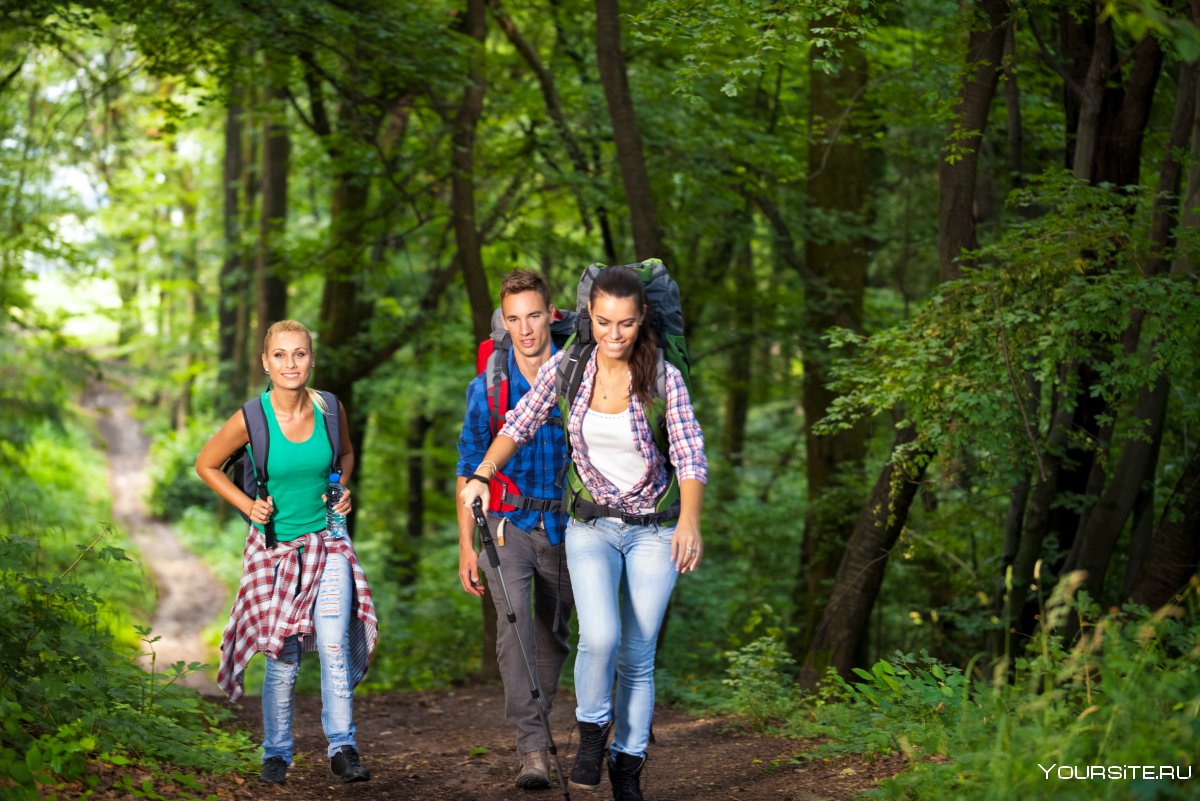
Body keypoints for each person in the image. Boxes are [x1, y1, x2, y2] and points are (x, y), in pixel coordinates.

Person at [460, 266, 707, 801]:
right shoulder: (569, 367)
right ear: (586, 318)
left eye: (624, 324)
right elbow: (517, 424)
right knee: (601, 638)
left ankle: (628, 763)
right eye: (602, 322)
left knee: (638, 655)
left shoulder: (665, 377)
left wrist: (689, 520)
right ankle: (593, 731)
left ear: (642, 321)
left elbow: (689, 453)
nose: (613, 335)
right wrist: (482, 474)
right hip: (590, 525)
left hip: (653, 530)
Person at [196, 319, 378, 786]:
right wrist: (247, 504)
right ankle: (276, 752)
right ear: (265, 363)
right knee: (284, 655)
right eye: (280, 355)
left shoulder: (330, 410)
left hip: (328, 542)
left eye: (299, 353)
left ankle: (343, 747)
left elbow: (346, 457)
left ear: (311, 359)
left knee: (334, 644)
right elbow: (206, 464)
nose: (290, 363)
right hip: (276, 550)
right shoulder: (252, 418)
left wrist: (341, 488)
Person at [456, 269, 574, 790]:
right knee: (514, 633)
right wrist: (465, 544)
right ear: (502, 323)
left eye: (533, 316)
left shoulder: (582, 374)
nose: (525, 329)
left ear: (551, 315)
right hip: (505, 525)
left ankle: (538, 729)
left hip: (572, 526)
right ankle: (532, 750)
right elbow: (468, 464)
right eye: (514, 319)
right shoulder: (488, 386)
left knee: (552, 637)